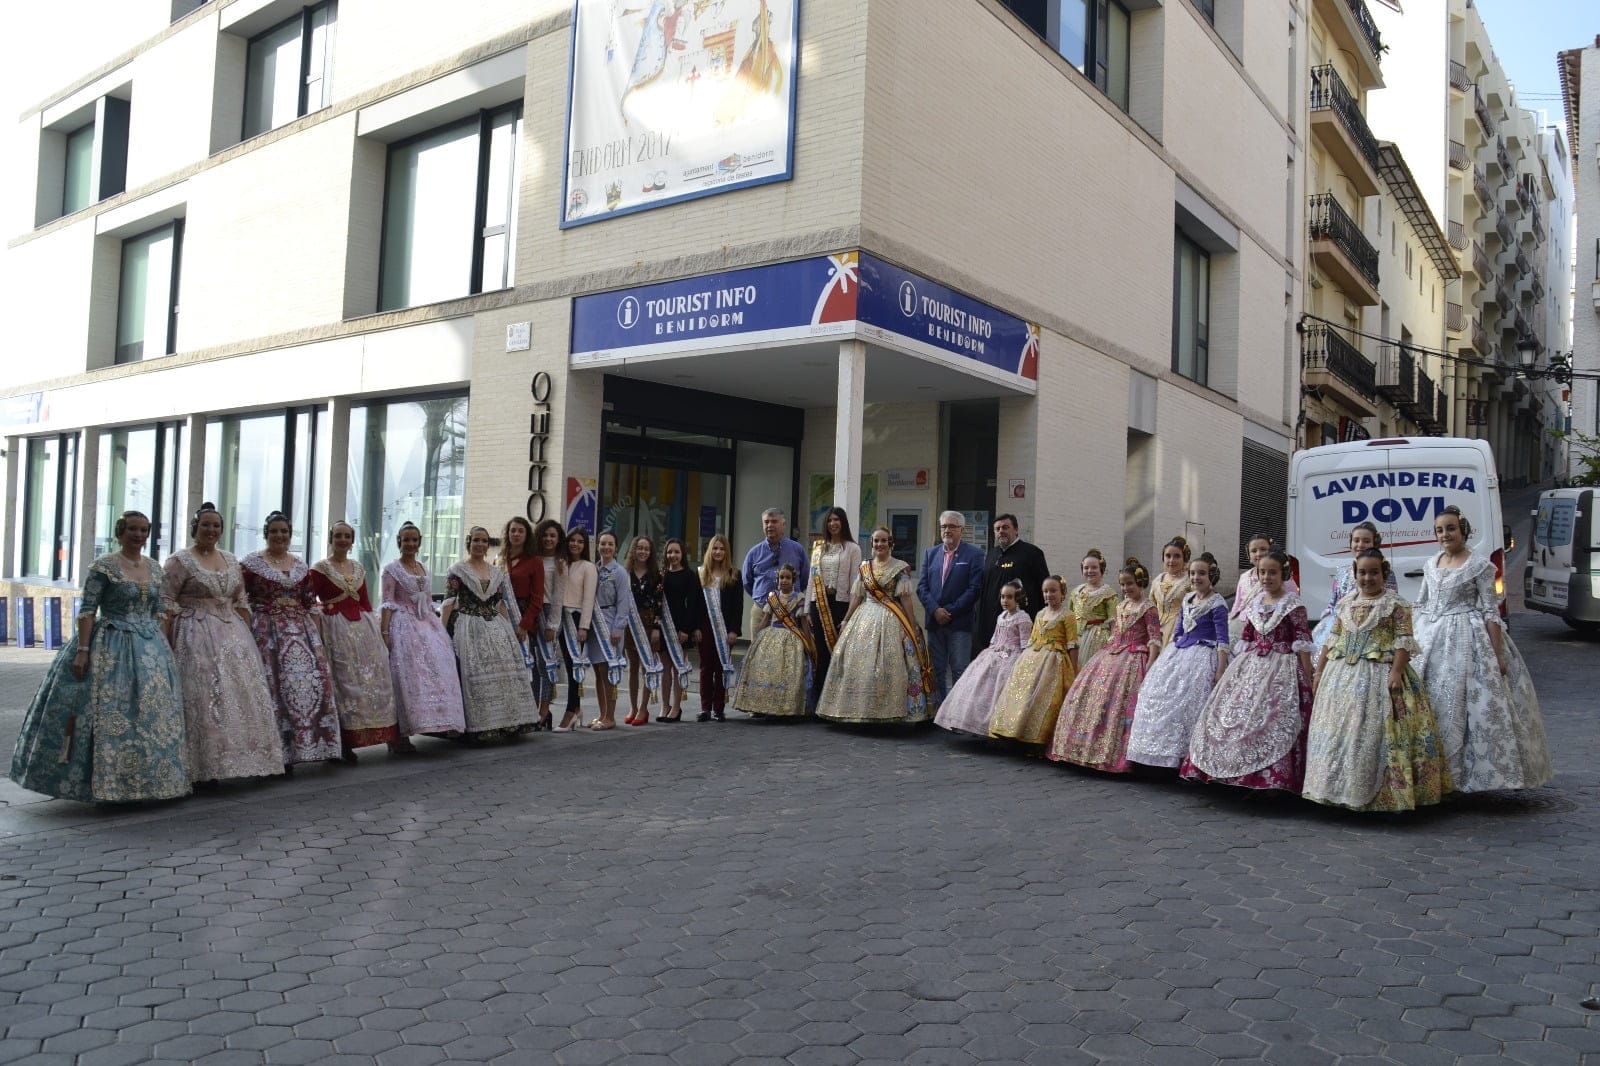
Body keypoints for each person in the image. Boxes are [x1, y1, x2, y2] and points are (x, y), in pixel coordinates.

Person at [10, 511, 189, 803]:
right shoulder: (104, 566)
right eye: (132, 529)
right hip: (111, 646)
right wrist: (83, 651)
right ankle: (109, 785)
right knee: (112, 712)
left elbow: (159, 610)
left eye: (144, 530)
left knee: (152, 714)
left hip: (150, 650)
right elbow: (88, 610)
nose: (138, 535)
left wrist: (163, 643)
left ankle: (151, 782)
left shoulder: (156, 568)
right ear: (120, 532)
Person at [1411, 505, 1551, 792]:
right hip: (1430, 637)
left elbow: (1490, 610)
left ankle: (1464, 776)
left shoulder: (1479, 566)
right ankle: (1433, 775)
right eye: (1440, 530)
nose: (1445, 534)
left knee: (1466, 706)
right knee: (1432, 702)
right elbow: (1421, 604)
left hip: (1467, 637)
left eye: (1450, 528)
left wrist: (1497, 654)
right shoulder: (1431, 563)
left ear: (1463, 530)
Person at [1305, 550, 1452, 812]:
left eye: (1374, 572)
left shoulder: (1395, 604)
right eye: (1362, 572)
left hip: (1380, 677)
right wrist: (1319, 671)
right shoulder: (1345, 603)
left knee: (1376, 734)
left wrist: (1396, 671)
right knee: (1339, 732)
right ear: (1355, 573)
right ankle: (1333, 790)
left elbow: (1403, 641)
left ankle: (1383, 797)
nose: (1368, 578)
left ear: (1383, 573)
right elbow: (1331, 639)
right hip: (1341, 678)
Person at [161, 503, 284, 785]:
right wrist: (166, 637)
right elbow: (166, 599)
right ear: (195, 527)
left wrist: (246, 629)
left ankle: (244, 759)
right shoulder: (180, 561)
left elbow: (241, 598)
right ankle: (205, 766)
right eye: (206, 525)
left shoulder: (230, 560)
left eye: (216, 525)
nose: (211, 530)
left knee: (238, 694)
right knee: (204, 695)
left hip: (231, 634)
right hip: (194, 632)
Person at [1183, 549, 1313, 793]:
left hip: (1282, 667)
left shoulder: (1294, 604)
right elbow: (1247, 637)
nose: (1266, 577)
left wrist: (1306, 680)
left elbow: (1303, 642)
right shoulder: (1255, 603)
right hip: (1250, 664)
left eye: (1272, 572)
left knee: (1272, 719)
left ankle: (1269, 780)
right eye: (1262, 572)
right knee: (1235, 715)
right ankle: (1233, 772)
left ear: (1283, 574)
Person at [241, 512, 342, 770]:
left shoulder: (299, 565)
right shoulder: (251, 564)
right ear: (266, 533)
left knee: (313, 685)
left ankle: (318, 744)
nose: (279, 536)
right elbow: (241, 599)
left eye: (284, 531)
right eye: (274, 531)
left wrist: (318, 636)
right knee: (276, 688)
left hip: (302, 632)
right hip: (268, 633)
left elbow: (309, 602)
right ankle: (280, 753)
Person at [1049, 558, 1162, 772]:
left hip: (1135, 657)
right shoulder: (1121, 606)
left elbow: (1155, 639)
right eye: (1123, 584)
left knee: (1120, 703)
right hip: (1113, 652)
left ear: (1141, 583)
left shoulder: (1149, 608)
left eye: (1130, 583)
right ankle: (1082, 747)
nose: (1126, 588)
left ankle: (1115, 753)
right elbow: (1116, 634)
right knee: (1092, 694)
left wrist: (1151, 666)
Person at [816, 526, 935, 724]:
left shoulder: (900, 567)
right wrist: (846, 619)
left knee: (889, 663)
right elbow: (857, 596)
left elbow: (905, 599)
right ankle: (856, 710)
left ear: (891, 543)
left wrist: (912, 625)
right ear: (871, 544)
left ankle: (891, 711)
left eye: (883, 541)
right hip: (864, 617)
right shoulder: (864, 567)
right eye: (876, 541)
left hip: (892, 618)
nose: (879, 544)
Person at [310, 521, 406, 763]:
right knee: (343, 682)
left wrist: (375, 631)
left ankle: (386, 735)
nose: (343, 540)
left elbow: (364, 602)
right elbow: (308, 600)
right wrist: (322, 619)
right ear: (331, 539)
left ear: (352, 541)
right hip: (335, 629)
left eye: (347, 536)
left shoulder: (358, 568)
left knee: (374, 680)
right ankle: (343, 742)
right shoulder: (320, 568)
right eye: (338, 535)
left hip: (362, 630)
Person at [1125, 553, 1230, 769]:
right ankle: (1153, 754)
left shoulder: (1218, 604)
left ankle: (1184, 757)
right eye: (1192, 573)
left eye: (1201, 573)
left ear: (1211, 576)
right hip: (1180, 651)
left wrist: (1221, 669)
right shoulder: (1188, 599)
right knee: (1156, 693)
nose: (1196, 577)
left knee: (1190, 700)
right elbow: (1179, 632)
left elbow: (1222, 639)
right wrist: (1169, 655)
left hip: (1204, 653)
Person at [441, 526, 540, 741]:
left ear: (488, 545)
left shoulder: (496, 571)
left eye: (484, 541)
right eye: (476, 540)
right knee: (472, 672)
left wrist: (511, 629)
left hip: (495, 625)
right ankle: (477, 724)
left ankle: (508, 722)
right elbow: (449, 602)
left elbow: (500, 603)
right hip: (467, 626)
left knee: (506, 671)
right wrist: (440, 632)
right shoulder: (457, 569)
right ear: (469, 543)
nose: (480, 544)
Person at [380, 521, 467, 738]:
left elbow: (427, 602)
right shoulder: (391, 570)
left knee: (439, 668)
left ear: (419, 543)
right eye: (406, 539)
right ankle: (404, 732)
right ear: (399, 542)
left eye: (414, 540)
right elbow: (388, 602)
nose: (410, 544)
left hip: (427, 623)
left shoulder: (423, 568)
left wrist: (437, 624)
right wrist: (385, 632)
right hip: (403, 624)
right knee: (408, 673)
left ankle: (442, 721)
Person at [988, 575, 1078, 746]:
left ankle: (1039, 738)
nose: (1049, 595)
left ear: (1062, 593)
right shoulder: (1040, 613)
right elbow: (1032, 639)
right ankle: (1014, 731)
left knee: (1046, 696)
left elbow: (1072, 644)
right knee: (1023, 692)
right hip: (1034, 657)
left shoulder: (1067, 615)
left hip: (1055, 660)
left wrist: (1073, 670)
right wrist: (1023, 661)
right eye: (1045, 591)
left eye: (1053, 591)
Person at [934, 580, 1030, 737]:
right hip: (994, 654)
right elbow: (995, 639)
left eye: (1009, 597)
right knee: (978, 683)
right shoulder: (1001, 616)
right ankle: (973, 724)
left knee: (999, 688)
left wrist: (1019, 661)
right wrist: (992, 653)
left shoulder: (1022, 618)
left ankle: (997, 727)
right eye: (1002, 597)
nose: (1005, 601)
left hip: (1012, 657)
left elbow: (1025, 644)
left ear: (1017, 599)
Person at [916, 511, 986, 705]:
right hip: (935, 621)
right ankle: (939, 710)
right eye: (944, 526)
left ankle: (956, 713)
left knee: (959, 669)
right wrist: (935, 610)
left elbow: (975, 589)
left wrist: (950, 611)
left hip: (959, 622)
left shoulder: (974, 554)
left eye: (952, 526)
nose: (947, 530)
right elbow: (922, 587)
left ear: (961, 530)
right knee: (937, 668)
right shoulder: (930, 553)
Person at [732, 564, 813, 719]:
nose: (784, 581)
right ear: (777, 579)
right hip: (770, 635)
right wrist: (756, 640)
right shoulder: (772, 598)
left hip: (791, 637)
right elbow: (765, 620)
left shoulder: (799, 599)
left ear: (793, 580)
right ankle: (760, 705)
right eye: (781, 577)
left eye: (787, 577)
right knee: (765, 670)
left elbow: (802, 624)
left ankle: (784, 707)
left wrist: (808, 642)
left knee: (787, 671)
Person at [1310, 522, 1395, 652]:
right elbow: (1333, 604)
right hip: (1337, 629)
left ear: (1375, 544)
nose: (1360, 545)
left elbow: (1389, 605)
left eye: (1366, 541)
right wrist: (1326, 623)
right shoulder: (1342, 572)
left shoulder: (1384, 572)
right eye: (1356, 540)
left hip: (1370, 631)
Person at [807, 507, 860, 711]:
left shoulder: (852, 549)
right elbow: (812, 579)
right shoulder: (819, 547)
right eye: (830, 520)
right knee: (820, 653)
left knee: (838, 653)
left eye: (837, 520)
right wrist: (805, 610)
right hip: (817, 603)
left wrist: (849, 615)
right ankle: (818, 702)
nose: (833, 524)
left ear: (843, 522)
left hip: (841, 604)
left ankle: (836, 703)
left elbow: (856, 583)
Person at [972, 514, 1050, 649]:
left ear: (1016, 529)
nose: (1001, 531)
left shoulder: (1032, 553)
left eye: (1005, 527)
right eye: (997, 529)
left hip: (1021, 625)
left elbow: (1043, 587)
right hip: (994, 623)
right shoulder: (991, 554)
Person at [500, 516, 548, 723]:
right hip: (501, 616)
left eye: (520, 531)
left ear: (526, 535)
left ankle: (531, 712)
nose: (516, 534)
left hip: (524, 618)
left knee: (528, 667)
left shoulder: (535, 561)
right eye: (513, 530)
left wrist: (524, 625)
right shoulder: (500, 559)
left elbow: (537, 598)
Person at [590, 531, 637, 730]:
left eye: (610, 544)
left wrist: (618, 627)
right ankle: (602, 713)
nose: (606, 547)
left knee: (608, 670)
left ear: (616, 548)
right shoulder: (594, 569)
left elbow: (623, 602)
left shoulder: (619, 572)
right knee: (597, 671)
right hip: (594, 623)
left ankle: (610, 716)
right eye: (603, 543)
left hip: (610, 623)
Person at [556, 527, 602, 732]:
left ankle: (570, 711)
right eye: (572, 540)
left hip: (575, 620)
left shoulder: (588, 567)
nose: (575, 544)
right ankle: (577, 708)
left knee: (574, 666)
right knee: (567, 665)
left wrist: (584, 626)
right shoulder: (563, 564)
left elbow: (588, 599)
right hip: (560, 618)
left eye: (580, 541)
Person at [698, 534, 744, 722]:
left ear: (727, 552)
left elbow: (738, 606)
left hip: (725, 629)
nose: (718, 552)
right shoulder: (701, 574)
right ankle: (705, 708)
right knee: (705, 668)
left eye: (722, 549)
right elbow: (697, 604)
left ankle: (719, 708)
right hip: (705, 627)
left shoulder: (734, 574)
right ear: (710, 550)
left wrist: (734, 630)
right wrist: (696, 628)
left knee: (721, 667)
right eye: (715, 548)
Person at [658, 537, 704, 722]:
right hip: (663, 627)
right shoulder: (661, 574)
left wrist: (687, 628)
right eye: (670, 552)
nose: (673, 555)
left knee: (679, 668)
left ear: (682, 554)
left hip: (680, 627)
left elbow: (694, 604)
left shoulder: (689, 575)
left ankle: (676, 707)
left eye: (676, 552)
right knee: (664, 669)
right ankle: (664, 705)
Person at [742, 508, 809, 631]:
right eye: (766, 522)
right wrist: (763, 597)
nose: (770, 525)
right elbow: (747, 582)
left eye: (774, 521)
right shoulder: (754, 552)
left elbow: (805, 579)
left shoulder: (797, 550)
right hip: (761, 611)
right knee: (758, 649)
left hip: (790, 614)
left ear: (783, 525)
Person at [623, 535, 664, 725]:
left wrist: (656, 628)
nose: (643, 552)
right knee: (632, 667)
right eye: (639, 548)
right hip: (630, 624)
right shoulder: (626, 573)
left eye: (646, 549)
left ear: (651, 552)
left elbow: (659, 604)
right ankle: (632, 707)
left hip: (648, 623)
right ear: (633, 550)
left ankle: (643, 708)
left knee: (646, 667)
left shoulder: (656, 575)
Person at [530, 519, 567, 731]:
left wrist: (553, 623)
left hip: (550, 614)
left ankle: (544, 710)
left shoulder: (560, 563)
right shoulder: (534, 558)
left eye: (552, 536)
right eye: (545, 535)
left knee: (546, 666)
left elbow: (559, 596)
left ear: (558, 538)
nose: (548, 539)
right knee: (534, 666)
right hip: (534, 613)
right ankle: (535, 707)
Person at [1229, 534, 1298, 643]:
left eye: (1263, 549)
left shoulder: (1281, 576)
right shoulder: (1244, 577)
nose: (1259, 554)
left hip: (1270, 629)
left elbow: (1293, 602)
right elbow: (1237, 605)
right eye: (1254, 551)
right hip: (1242, 628)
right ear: (1248, 555)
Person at [1070, 549, 1118, 665]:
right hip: (1076, 637)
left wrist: (1113, 644)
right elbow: (1069, 616)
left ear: (1101, 570)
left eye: (1094, 567)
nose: (1089, 571)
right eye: (1086, 568)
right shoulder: (1076, 592)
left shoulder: (1108, 593)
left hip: (1097, 638)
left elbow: (1114, 622)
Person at [1150, 536, 1194, 646]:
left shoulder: (1190, 581)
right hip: (1155, 631)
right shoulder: (1157, 580)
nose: (1171, 560)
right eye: (1168, 556)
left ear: (1184, 559)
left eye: (1177, 556)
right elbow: (1151, 608)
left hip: (1179, 630)